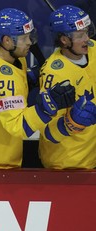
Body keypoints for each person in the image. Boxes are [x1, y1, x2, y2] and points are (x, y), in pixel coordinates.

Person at [0, 8, 78, 169]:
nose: (30, 42)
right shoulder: (3, 80)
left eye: (30, 36)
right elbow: (19, 126)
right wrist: (49, 104)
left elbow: (3, 87)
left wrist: (29, 78)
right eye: (24, 38)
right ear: (7, 41)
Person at [38, 5, 96, 169]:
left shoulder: (93, 49)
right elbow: (47, 131)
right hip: (67, 162)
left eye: (86, 31)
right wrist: (72, 122)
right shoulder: (54, 73)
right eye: (80, 35)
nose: (87, 38)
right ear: (64, 40)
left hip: (91, 155)